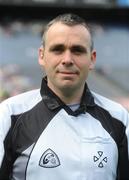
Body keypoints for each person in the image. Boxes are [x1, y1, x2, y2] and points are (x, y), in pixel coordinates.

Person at [0, 13, 129, 180]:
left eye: (77, 50)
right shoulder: (10, 115)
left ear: (92, 59)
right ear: (41, 55)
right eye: (57, 49)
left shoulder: (119, 118)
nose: (67, 59)